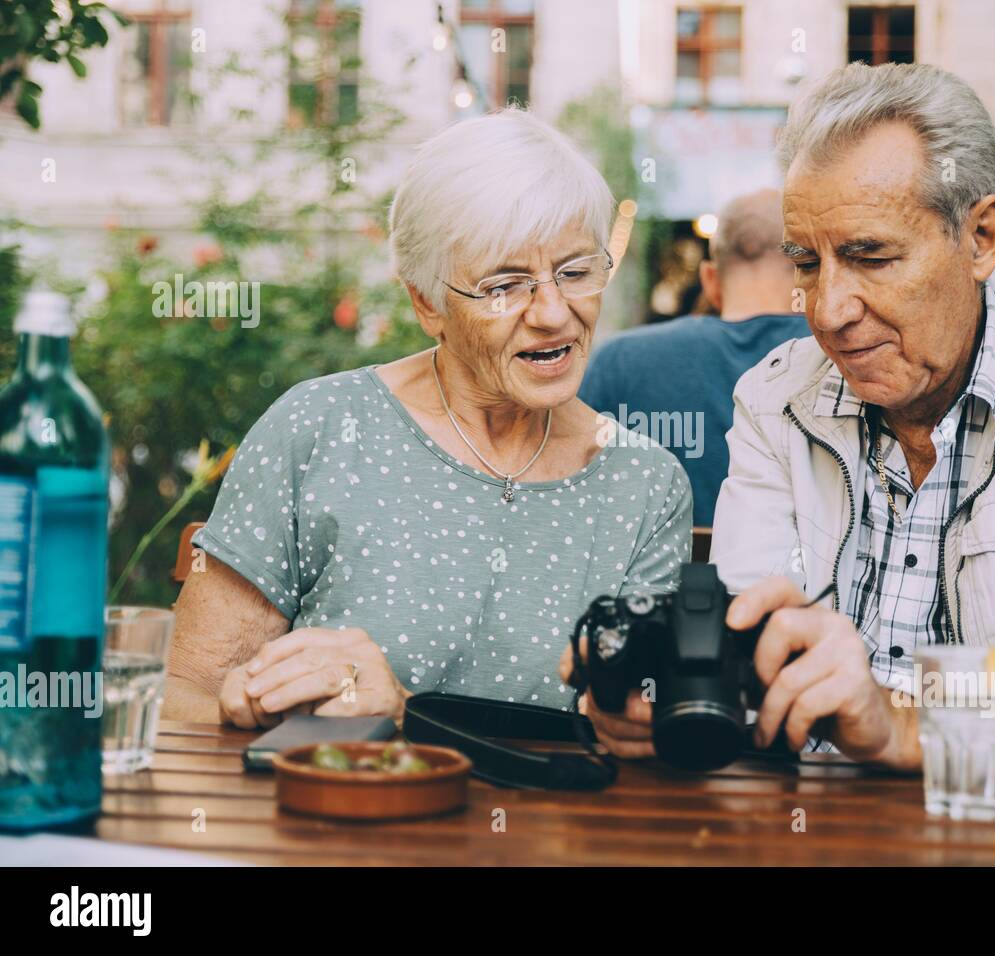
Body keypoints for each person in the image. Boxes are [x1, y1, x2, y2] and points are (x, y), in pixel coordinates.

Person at [570, 62, 995, 765]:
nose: (828, 311)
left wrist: (907, 720)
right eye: (807, 263)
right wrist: (674, 694)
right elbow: (749, 626)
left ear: (982, 237)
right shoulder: (773, 398)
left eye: (870, 256)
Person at [163, 109, 692, 729]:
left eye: (576, 272)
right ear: (427, 302)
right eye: (505, 285)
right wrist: (257, 706)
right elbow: (185, 696)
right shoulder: (320, 430)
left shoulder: (645, 486)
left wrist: (405, 718)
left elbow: (641, 741)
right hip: (334, 814)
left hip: (548, 824)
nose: (554, 313)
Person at [579, 189, 809, 528]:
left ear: (710, 279)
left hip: (656, 579)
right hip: (807, 581)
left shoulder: (620, 362)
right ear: (807, 272)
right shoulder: (841, 361)